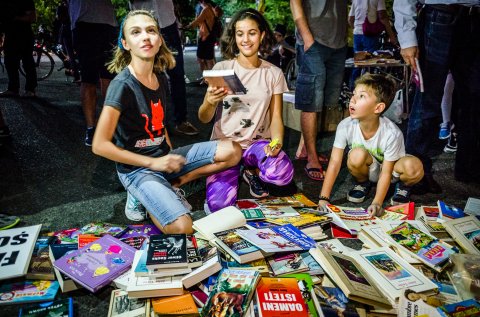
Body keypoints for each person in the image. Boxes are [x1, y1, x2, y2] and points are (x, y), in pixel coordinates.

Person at [91, 10, 241, 233]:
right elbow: (99, 145)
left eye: (151, 30)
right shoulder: (121, 85)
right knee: (183, 227)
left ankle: (172, 185)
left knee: (233, 151)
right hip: (137, 170)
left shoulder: (160, 78)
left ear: (160, 39)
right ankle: (142, 195)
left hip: (163, 159)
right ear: (125, 43)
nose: (145, 36)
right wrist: (153, 164)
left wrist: (169, 153)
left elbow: (159, 124)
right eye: (136, 32)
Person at [198, 8, 294, 212]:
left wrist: (276, 143)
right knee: (219, 207)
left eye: (252, 32)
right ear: (234, 36)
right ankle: (241, 172)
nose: (246, 39)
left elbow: (276, 117)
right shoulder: (221, 68)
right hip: (226, 147)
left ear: (262, 35)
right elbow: (204, 118)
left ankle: (251, 169)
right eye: (240, 33)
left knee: (281, 174)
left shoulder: (273, 73)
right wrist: (209, 101)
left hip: (256, 145)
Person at [393, 1, 480, 188]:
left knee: (474, 99)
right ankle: (414, 173)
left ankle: (469, 169)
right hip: (439, 16)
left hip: (475, 20)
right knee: (428, 99)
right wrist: (407, 39)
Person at [318, 73, 424, 216]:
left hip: (392, 170)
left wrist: (377, 203)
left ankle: (403, 187)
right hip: (370, 169)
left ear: (378, 108)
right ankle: (363, 183)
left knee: (414, 167)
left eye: (361, 96)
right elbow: (335, 162)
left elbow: (386, 172)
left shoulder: (392, 132)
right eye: (354, 94)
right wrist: (323, 198)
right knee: (356, 155)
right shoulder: (345, 125)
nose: (353, 100)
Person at [290, 0, 348, 181]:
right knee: (311, 101)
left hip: (338, 44)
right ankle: (312, 158)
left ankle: (307, 148)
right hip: (314, 40)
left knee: (326, 102)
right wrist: (307, 37)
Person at [129, 0, 200, 136]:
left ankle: (181, 120)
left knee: (177, 74)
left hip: (168, 24)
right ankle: (153, 123)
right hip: (144, 25)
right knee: (149, 75)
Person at [69, 0, 118, 146]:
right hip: (83, 24)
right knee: (88, 79)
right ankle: (91, 128)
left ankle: (109, 126)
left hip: (108, 24)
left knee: (109, 78)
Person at [348, 0, 398, 88]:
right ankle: (368, 90)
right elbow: (382, 16)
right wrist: (391, 35)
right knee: (370, 64)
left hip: (357, 35)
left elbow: (350, 19)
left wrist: (357, 29)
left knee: (357, 63)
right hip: (370, 35)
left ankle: (353, 89)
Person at [0, 1, 37, 98]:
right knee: (9, 62)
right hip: (10, 35)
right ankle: (13, 89)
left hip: (24, 35)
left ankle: (30, 89)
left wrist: (16, 18)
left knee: (27, 62)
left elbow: (32, 17)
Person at [185, 0, 217, 76]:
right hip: (210, 36)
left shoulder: (206, 9)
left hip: (205, 37)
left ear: (202, 1)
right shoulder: (212, 8)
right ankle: (210, 79)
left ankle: (208, 79)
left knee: (202, 59)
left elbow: (198, 20)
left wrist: (188, 26)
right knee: (209, 59)